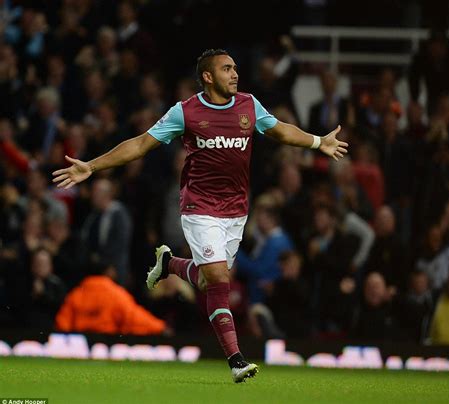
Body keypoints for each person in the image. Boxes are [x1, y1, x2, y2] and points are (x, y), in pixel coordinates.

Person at [52, 49, 348, 383]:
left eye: (235, 67)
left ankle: (170, 265)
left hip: (236, 211)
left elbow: (279, 130)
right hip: (199, 207)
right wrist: (90, 166)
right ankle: (236, 360)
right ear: (208, 77)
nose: (235, 73)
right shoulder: (186, 112)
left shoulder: (250, 105)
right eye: (226, 69)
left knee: (207, 280)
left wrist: (317, 141)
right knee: (220, 281)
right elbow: (139, 145)